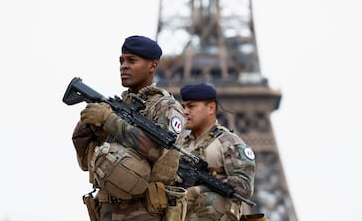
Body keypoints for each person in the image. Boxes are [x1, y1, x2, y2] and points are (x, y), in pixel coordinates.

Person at [71, 35, 187, 221]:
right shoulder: (114, 106)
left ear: (152, 66)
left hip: (144, 212)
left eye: (132, 60)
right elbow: (86, 162)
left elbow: (157, 151)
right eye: (121, 60)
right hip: (106, 210)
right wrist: (89, 126)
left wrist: (110, 121)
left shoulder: (165, 107)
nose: (124, 66)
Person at [178, 83, 256, 221]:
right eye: (183, 106)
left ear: (211, 108)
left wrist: (198, 190)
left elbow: (244, 186)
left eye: (191, 106)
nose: (185, 111)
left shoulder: (228, 142)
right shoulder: (180, 144)